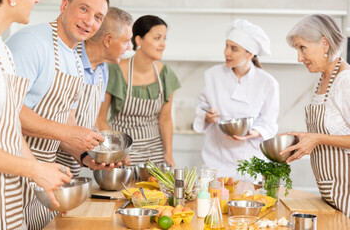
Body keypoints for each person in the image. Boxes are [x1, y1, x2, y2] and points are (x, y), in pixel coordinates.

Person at [6, 0, 110, 228]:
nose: (89, 21)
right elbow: (9, 111)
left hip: (45, 173)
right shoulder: (32, 43)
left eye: (98, 17)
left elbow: (66, 117)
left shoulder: (74, 55)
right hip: (13, 170)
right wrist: (67, 133)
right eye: (84, 9)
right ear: (65, 5)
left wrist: (85, 156)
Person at [0, 0, 72, 229]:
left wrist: (43, 178)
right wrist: (35, 169)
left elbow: (11, 129)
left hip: (7, 196)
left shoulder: (2, 50)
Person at [281, 14, 350, 218]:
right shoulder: (320, 81)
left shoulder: (345, 81)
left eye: (302, 48)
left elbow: (322, 136)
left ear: (324, 43)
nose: (299, 58)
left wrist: (317, 138)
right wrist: (298, 141)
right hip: (330, 191)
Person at [193, 19, 279, 181]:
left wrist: (252, 133)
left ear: (250, 54)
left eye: (234, 49)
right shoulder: (212, 75)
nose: (227, 52)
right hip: (215, 161)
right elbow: (201, 106)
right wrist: (207, 115)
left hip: (249, 163)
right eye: (226, 46)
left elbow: (269, 122)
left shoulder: (268, 83)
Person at [56, 6, 133, 175]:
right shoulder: (65, 61)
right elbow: (55, 120)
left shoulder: (103, 70)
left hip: (75, 164)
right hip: (48, 162)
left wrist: (108, 154)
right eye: (126, 41)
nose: (129, 48)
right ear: (108, 40)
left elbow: (96, 119)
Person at [97, 15, 181, 168]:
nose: (163, 44)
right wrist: (116, 150)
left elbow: (165, 119)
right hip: (123, 153)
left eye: (164, 39)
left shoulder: (165, 74)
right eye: (157, 38)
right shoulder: (114, 70)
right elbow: (100, 118)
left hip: (155, 154)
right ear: (138, 40)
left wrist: (168, 154)